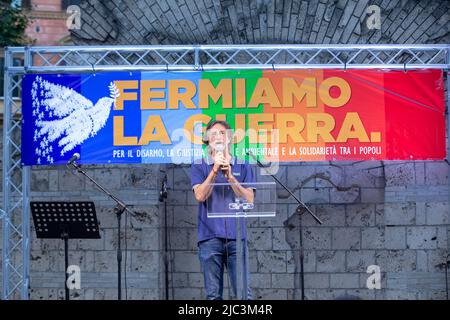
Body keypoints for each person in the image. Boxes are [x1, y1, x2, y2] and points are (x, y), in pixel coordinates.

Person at [190, 120, 254, 300]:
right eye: (213, 133)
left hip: (237, 239)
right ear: (207, 140)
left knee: (244, 295)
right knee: (213, 296)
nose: (218, 136)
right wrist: (215, 170)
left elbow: (249, 199)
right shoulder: (199, 165)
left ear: (229, 139)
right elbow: (200, 196)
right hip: (209, 238)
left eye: (222, 133)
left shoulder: (243, 164)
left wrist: (231, 177)